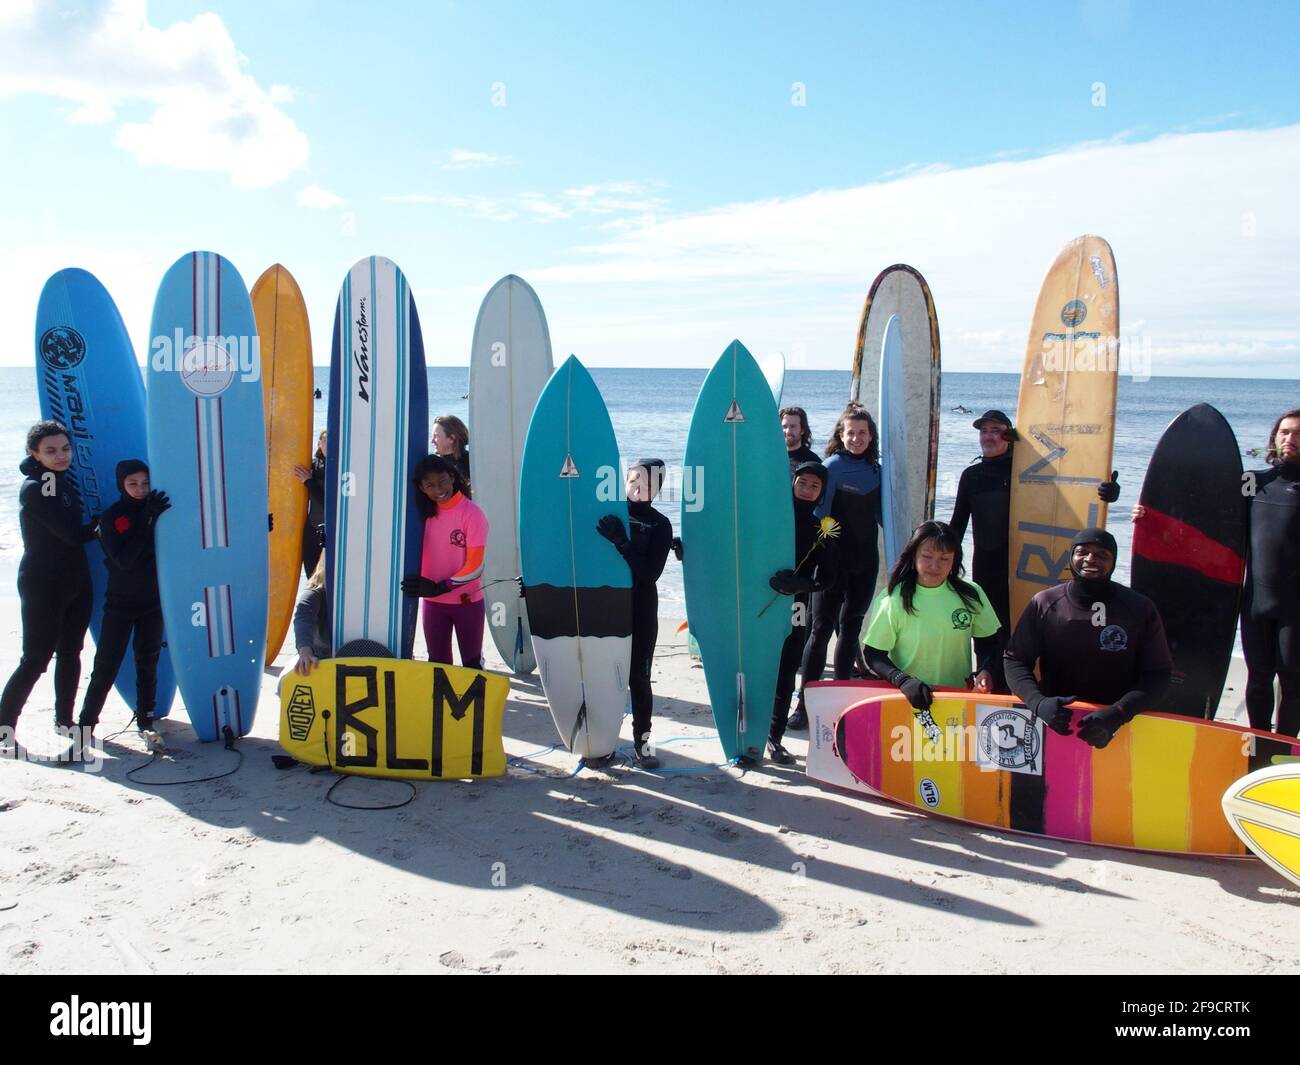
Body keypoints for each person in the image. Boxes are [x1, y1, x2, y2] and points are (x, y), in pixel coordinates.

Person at [1138, 409, 1300, 735]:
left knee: (1293, 680)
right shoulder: (1255, 483)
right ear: (1274, 437)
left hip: (1296, 607)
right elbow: (1203, 513)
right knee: (1257, 677)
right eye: (1284, 433)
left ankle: (1285, 747)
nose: (1290, 440)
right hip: (1255, 602)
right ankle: (1259, 740)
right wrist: (1150, 516)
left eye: (1297, 434)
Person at [950, 409, 1120, 638]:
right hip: (986, 567)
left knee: (1031, 628)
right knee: (988, 632)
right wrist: (945, 566)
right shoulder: (971, 475)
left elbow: (1073, 494)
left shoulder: (1029, 474)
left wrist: (1106, 493)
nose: (988, 437)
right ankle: (987, 673)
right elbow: (957, 525)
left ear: (1010, 437)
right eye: (984, 431)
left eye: (996, 431)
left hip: (1027, 565)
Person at [1003, 528, 1172, 749]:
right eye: (1082, 552)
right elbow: (1015, 660)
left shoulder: (1140, 608)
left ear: (1113, 562)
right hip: (1058, 722)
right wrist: (1038, 702)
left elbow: (1158, 675)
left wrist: (1119, 712)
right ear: (1071, 557)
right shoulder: (1045, 603)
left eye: (1102, 554)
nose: (1090, 559)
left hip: (1118, 726)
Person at [0, 423, 99, 752]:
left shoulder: (59, 481)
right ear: (34, 453)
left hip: (76, 579)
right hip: (44, 584)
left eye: (65, 449)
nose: (60, 456)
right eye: (51, 451)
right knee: (36, 658)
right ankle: (3, 728)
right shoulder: (37, 487)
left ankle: (64, 720)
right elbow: (71, 534)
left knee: (72, 652)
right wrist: (108, 523)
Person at [787, 403, 882, 730]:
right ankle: (804, 703)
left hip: (866, 562)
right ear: (840, 436)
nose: (856, 438)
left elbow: (885, 518)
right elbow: (817, 516)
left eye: (862, 432)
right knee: (820, 630)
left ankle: (843, 702)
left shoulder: (877, 472)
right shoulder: (832, 467)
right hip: (833, 561)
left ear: (871, 437)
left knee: (851, 628)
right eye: (850, 432)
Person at [861, 521, 1002, 732]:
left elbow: (989, 643)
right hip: (908, 699)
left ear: (954, 561)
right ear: (914, 555)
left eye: (944, 559)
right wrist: (903, 681)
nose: (935, 566)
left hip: (957, 698)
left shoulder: (971, 595)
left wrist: (985, 670)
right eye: (927, 556)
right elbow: (873, 653)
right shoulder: (894, 598)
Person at [75, 460, 171, 751]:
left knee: (148, 661)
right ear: (121, 485)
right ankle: (85, 725)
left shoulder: (158, 511)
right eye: (133, 484)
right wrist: (146, 521)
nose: (140, 490)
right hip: (120, 604)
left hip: (153, 602)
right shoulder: (111, 518)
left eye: (145, 483)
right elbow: (124, 560)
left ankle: (146, 720)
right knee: (106, 664)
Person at [596, 459, 674, 769]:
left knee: (638, 678)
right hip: (606, 604)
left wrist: (621, 542)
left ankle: (643, 742)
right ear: (625, 481)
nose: (641, 486)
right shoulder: (606, 513)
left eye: (650, 482)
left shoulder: (661, 524)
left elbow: (649, 575)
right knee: (604, 676)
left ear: (658, 489)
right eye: (635, 479)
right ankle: (602, 742)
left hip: (641, 607)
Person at [767, 460, 839, 763]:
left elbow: (829, 578)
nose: (807, 489)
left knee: (785, 669)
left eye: (815, 485)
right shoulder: (770, 518)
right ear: (792, 482)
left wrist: (802, 585)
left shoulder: (821, 530)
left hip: (796, 606)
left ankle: (775, 737)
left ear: (822, 493)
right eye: (803, 482)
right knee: (760, 666)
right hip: (760, 603)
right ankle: (745, 729)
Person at [401, 454, 488, 668]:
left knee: (471, 664)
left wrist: (440, 587)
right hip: (433, 605)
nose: (438, 489)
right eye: (429, 485)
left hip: (467, 602)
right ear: (421, 488)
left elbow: (475, 566)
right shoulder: (421, 515)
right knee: (438, 665)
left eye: (442, 481)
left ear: (452, 477)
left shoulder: (472, 514)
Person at [293, 429, 326, 579]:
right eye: (325, 440)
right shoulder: (312, 466)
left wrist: (309, 482)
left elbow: (331, 506)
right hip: (312, 530)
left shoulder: (343, 469)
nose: (328, 444)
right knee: (312, 579)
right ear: (319, 444)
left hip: (332, 532)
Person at [293, 554, 331, 675]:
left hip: (362, 660)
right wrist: (305, 651)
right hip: (321, 660)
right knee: (283, 684)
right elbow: (303, 617)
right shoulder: (316, 591)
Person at [432, 415, 472, 497]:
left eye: (436, 436)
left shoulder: (471, 464)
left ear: (451, 438)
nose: (432, 441)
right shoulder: (433, 464)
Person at [780, 406, 818, 475]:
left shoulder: (812, 461)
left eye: (793, 426)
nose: (788, 431)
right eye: (784, 427)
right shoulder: (772, 456)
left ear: (802, 430)